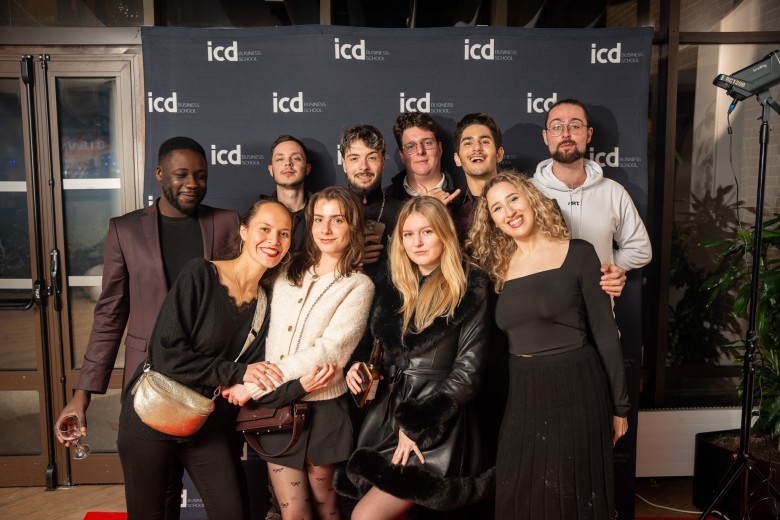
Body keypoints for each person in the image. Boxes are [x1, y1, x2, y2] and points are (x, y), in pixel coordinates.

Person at [54, 136, 239, 519]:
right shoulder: (125, 230)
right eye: (181, 174)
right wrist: (81, 395)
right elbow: (109, 316)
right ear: (159, 174)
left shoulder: (226, 224)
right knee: (155, 507)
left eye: (201, 175)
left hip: (209, 391)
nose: (192, 183)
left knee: (230, 508)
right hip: (146, 392)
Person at [117, 199, 337, 519]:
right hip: (151, 414)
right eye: (264, 229)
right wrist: (238, 373)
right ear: (244, 231)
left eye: (284, 233)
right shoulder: (200, 274)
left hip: (209, 422)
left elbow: (262, 377)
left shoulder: (267, 303)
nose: (274, 240)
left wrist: (301, 384)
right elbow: (166, 356)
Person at [468, 172, 629, 519]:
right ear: (492, 220)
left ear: (531, 198)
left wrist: (620, 407)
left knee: (574, 501)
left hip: (576, 388)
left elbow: (605, 331)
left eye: (513, 198)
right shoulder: (496, 269)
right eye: (497, 208)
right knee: (519, 499)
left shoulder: (579, 254)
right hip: (524, 392)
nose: (509, 211)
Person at [336, 196, 493, 519]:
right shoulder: (392, 286)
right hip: (385, 419)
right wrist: (358, 367)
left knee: (365, 516)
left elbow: (468, 373)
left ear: (444, 234)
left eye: (427, 232)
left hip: (436, 425)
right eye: (408, 234)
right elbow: (374, 350)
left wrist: (416, 425)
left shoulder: (470, 286)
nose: (417, 242)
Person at [236, 187, 374, 520]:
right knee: (292, 511)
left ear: (352, 226)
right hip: (276, 407)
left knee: (327, 507)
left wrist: (253, 385)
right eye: (318, 220)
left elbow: (329, 351)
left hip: (324, 411)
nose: (325, 229)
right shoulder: (287, 270)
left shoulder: (358, 285)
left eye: (337, 220)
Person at [532, 99, 652, 295]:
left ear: (588, 134)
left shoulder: (613, 192)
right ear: (546, 136)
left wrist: (607, 268)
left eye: (575, 126)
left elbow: (640, 249)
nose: (566, 134)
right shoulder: (526, 193)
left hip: (597, 306)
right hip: (543, 306)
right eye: (557, 127)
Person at [339, 124, 402, 281]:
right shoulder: (328, 212)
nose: (363, 167)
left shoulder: (403, 211)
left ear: (383, 161)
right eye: (354, 158)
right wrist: (348, 257)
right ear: (344, 164)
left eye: (372, 157)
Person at [386, 112, 461, 207]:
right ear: (402, 155)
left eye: (428, 143)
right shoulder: (386, 200)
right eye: (411, 146)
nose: (420, 151)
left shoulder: (463, 198)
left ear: (440, 149)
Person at [263, 134, 312, 252]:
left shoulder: (322, 212)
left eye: (296, 158)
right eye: (280, 159)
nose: (288, 163)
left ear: (307, 168)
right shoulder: (258, 215)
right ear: (271, 170)